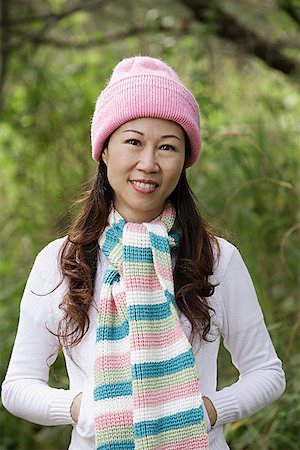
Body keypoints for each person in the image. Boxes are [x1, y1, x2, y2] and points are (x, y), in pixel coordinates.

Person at [1, 56, 285, 450]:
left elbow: (266, 372)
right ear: (104, 151)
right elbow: (18, 387)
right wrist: (83, 408)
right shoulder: (61, 261)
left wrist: (208, 411)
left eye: (167, 147)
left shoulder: (217, 258)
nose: (148, 163)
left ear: (184, 159)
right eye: (133, 141)